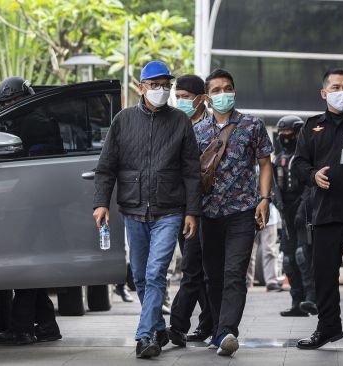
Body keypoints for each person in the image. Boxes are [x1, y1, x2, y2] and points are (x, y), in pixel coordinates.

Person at [93, 61, 202, 359]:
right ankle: (158, 327)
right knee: (140, 276)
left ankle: (145, 336)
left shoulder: (180, 121)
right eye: (155, 84)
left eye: (166, 84)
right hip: (133, 209)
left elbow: (192, 171)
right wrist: (101, 202)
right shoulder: (123, 120)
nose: (161, 90)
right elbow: (106, 167)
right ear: (141, 88)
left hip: (170, 210)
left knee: (155, 273)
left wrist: (192, 211)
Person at [292, 69, 343, 353]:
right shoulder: (312, 125)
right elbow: (298, 164)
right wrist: (313, 174)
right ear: (324, 93)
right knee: (324, 274)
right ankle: (328, 327)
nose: (342, 92)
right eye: (336, 87)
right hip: (325, 212)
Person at [193, 68, 273, 356]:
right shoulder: (197, 130)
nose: (222, 94)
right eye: (216, 90)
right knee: (212, 275)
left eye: (227, 88)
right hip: (208, 213)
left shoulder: (252, 125)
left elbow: (265, 163)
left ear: (234, 91)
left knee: (234, 273)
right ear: (206, 97)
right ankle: (217, 328)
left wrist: (264, 199)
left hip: (242, 210)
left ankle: (228, 331)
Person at [0, 76, 62, 345]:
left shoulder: (33, 124)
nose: (10, 106)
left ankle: (21, 328)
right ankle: (46, 326)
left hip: (33, 203)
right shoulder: (28, 122)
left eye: (14, 101)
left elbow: (28, 170)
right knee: (30, 264)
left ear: (27, 97)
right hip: (36, 202)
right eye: (6, 103)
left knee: (23, 265)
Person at [167, 74, 214, 346]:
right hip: (181, 207)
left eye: (186, 97)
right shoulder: (173, 123)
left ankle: (177, 324)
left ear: (201, 98)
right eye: (179, 97)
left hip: (210, 206)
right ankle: (208, 321)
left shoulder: (212, 127)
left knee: (196, 269)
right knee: (196, 266)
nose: (181, 101)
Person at [272, 115, 316, 316]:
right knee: (289, 259)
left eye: (288, 133)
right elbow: (273, 185)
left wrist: (302, 208)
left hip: (304, 212)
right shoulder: (278, 157)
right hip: (286, 212)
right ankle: (296, 302)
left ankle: (311, 299)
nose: (284, 137)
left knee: (302, 257)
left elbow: (310, 185)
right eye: (281, 134)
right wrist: (275, 201)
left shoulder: (305, 156)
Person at [246, 201, 280, 291]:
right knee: (247, 250)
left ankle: (271, 282)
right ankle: (247, 281)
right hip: (248, 215)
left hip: (269, 217)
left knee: (270, 250)